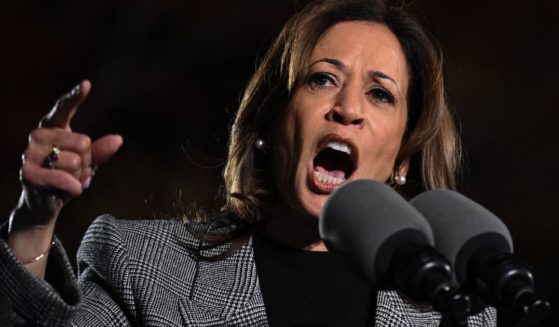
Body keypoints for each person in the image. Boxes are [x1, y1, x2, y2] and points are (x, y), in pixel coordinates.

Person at [1, 0, 496, 325]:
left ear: (402, 156)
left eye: (380, 93)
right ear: (270, 123)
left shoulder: (455, 309)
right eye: (322, 79)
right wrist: (33, 223)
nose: (347, 108)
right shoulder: (142, 267)